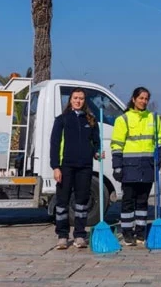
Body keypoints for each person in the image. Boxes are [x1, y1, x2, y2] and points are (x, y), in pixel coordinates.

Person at [111, 87, 161, 246]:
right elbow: (117, 145)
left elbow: (160, 140)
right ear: (134, 99)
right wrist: (117, 166)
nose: (144, 101)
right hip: (129, 167)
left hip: (147, 166)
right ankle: (127, 233)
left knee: (143, 201)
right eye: (141, 98)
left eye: (146, 98)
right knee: (128, 201)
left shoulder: (154, 118)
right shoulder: (123, 119)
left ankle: (140, 232)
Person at [49, 88, 102, 250]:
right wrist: (55, 167)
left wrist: (97, 152)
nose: (78, 101)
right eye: (75, 98)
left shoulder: (91, 120)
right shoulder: (62, 120)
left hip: (85, 166)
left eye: (81, 98)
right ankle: (62, 235)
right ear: (70, 100)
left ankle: (80, 234)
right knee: (63, 201)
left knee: (82, 202)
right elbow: (55, 145)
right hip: (66, 166)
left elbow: (96, 142)